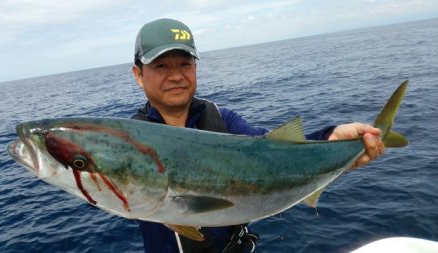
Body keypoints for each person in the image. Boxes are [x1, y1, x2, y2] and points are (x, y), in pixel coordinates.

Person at [130, 18, 385, 253]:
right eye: (161, 66)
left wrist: (332, 138)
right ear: (139, 75)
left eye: (185, 64)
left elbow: (274, 151)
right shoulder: (126, 142)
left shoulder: (221, 118)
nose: (176, 75)